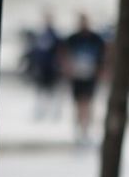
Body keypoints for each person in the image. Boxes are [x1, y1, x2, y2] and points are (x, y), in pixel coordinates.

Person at [63, 14, 107, 145]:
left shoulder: (96, 39)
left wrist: (101, 71)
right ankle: (79, 130)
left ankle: (86, 130)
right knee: (78, 105)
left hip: (90, 77)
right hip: (77, 77)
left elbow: (103, 56)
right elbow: (64, 54)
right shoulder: (72, 38)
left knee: (87, 104)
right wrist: (68, 69)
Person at [26, 13, 63, 121]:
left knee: (52, 91)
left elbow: (60, 51)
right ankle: (40, 111)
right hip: (42, 68)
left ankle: (53, 112)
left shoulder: (55, 35)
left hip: (52, 68)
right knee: (40, 90)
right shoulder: (40, 35)